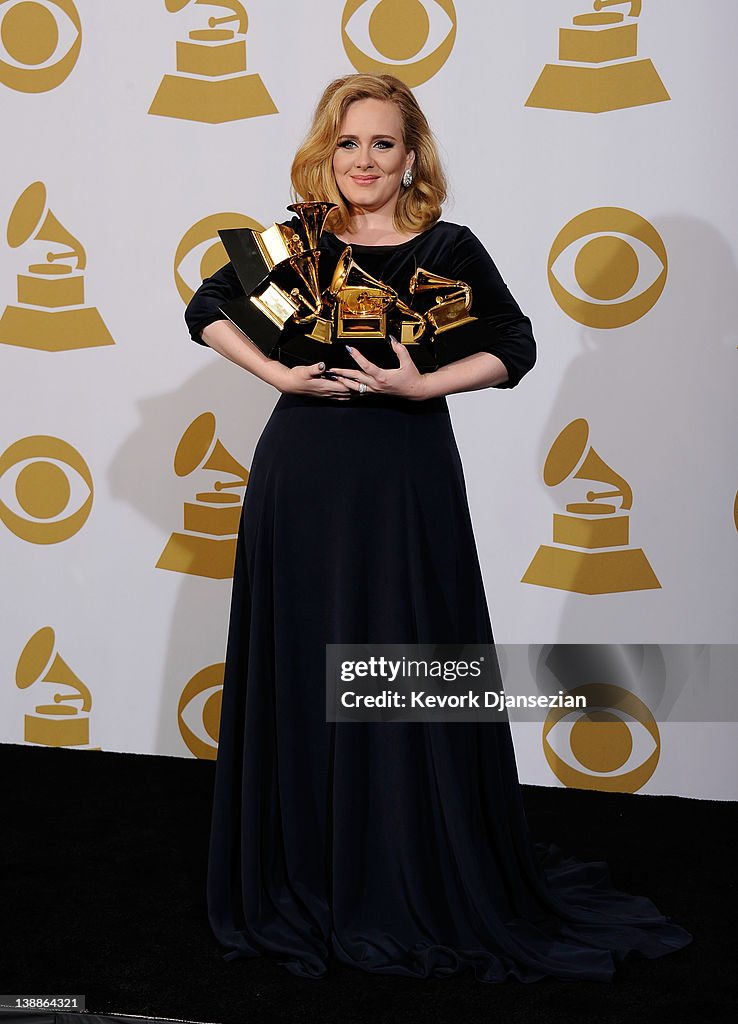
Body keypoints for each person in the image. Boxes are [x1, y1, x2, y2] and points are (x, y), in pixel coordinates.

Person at [184, 73, 692, 982]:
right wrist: (280, 376)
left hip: (404, 477)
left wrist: (423, 385)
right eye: (348, 143)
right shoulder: (295, 243)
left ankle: (407, 862)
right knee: (308, 662)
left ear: (411, 153)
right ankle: (311, 866)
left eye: (382, 143)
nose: (365, 161)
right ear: (325, 152)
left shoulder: (450, 246)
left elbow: (516, 342)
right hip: (301, 477)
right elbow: (205, 306)